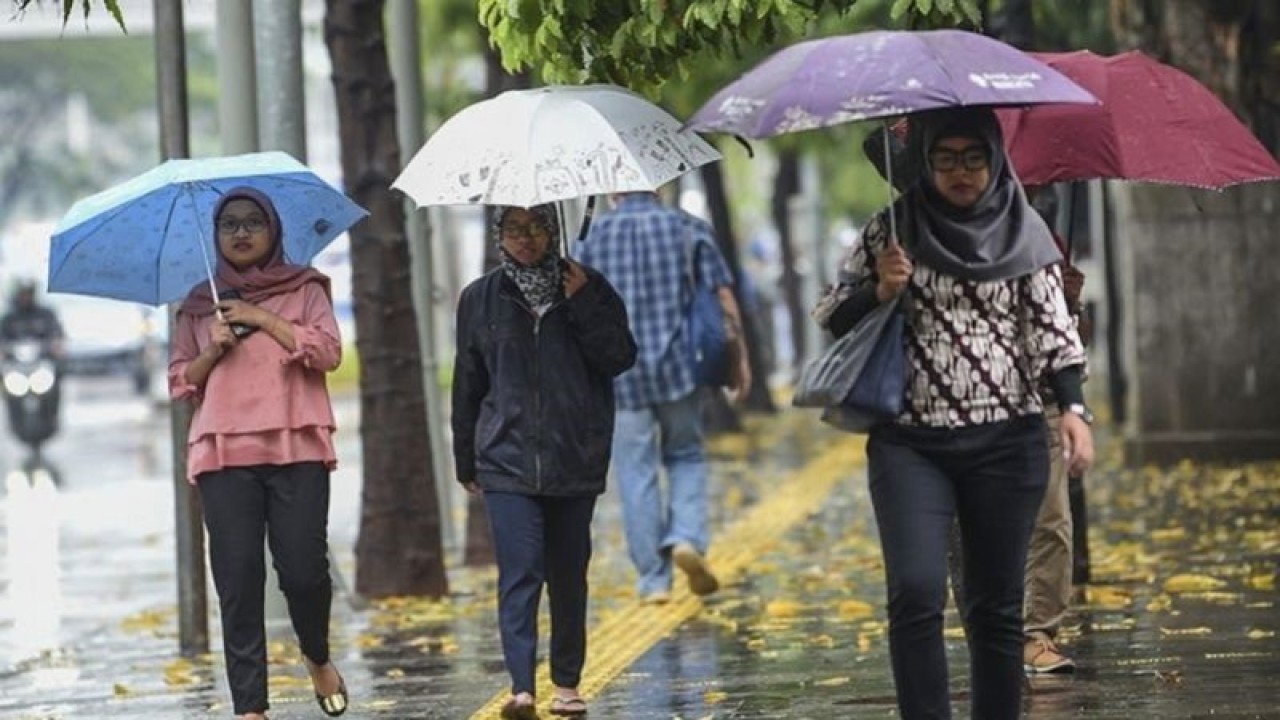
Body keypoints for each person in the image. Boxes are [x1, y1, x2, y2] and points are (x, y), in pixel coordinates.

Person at [813, 107, 1093, 720]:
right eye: (945, 158)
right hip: (910, 443)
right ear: (926, 160)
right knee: (914, 592)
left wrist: (1073, 408)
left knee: (994, 607)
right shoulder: (891, 229)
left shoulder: (1027, 231)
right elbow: (832, 316)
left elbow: (1054, 333)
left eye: (973, 158)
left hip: (1006, 440)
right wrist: (879, 289)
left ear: (993, 159)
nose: (960, 172)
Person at [168, 187, 348, 720]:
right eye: (229, 225)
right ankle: (250, 707)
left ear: (273, 230)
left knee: (304, 572)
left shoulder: (306, 288)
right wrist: (213, 348)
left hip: (297, 445)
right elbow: (180, 382)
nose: (241, 233)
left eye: (252, 222)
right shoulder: (200, 303)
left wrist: (262, 317)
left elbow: (329, 353)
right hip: (224, 452)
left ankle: (316, 654)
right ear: (216, 237)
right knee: (238, 580)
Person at [452, 203, 636, 719]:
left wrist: (583, 304)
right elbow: (468, 382)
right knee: (520, 570)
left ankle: (567, 683)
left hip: (574, 453)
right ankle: (520, 688)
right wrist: (465, 457)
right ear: (499, 236)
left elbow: (619, 357)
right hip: (505, 457)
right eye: (515, 230)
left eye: (537, 228)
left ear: (553, 231)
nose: (527, 239)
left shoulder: (589, 287)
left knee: (568, 572)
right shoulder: (480, 298)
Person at [576, 191, 751, 604]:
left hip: (620, 374)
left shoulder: (589, 239)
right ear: (657, 181)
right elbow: (723, 297)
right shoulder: (689, 228)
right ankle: (686, 536)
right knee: (686, 454)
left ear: (613, 189)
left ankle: (654, 580)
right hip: (681, 369)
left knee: (636, 473)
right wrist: (740, 361)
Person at [1, 280, 65, 351]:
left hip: (43, 354)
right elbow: (2, 336)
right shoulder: (9, 318)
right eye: (23, 294)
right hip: (13, 355)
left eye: (28, 293)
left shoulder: (45, 314)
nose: (25, 297)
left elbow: (56, 331)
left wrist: (55, 343)